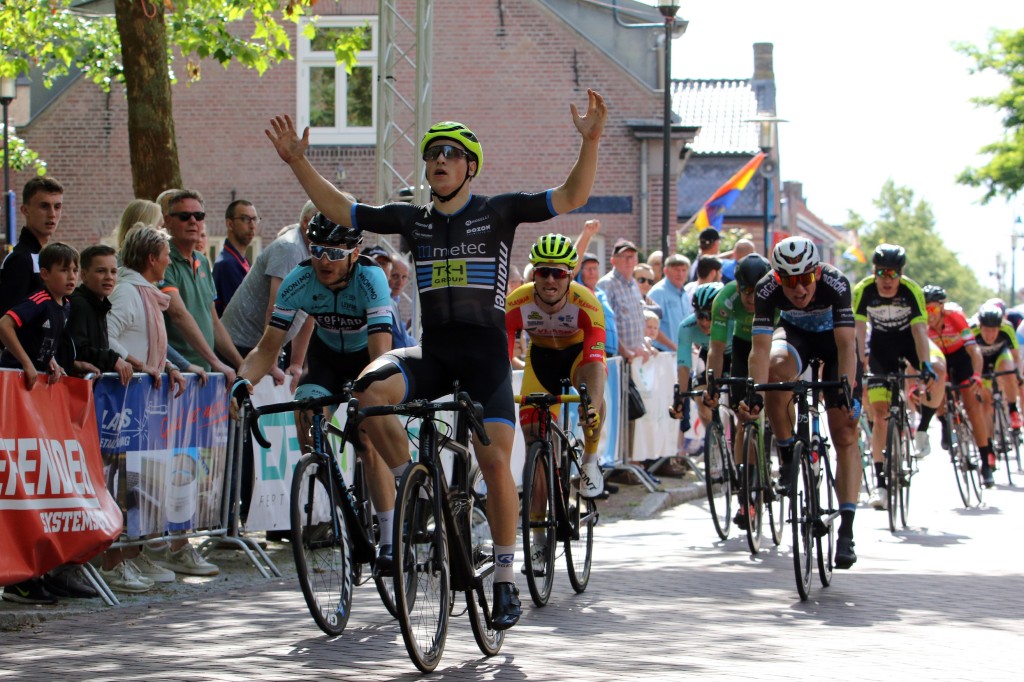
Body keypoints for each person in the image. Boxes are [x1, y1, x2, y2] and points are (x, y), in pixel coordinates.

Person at [266, 88, 607, 630]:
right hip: (434, 354)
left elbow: (571, 195)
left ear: (470, 166)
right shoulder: (414, 218)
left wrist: (589, 141)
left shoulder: (498, 211)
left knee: (495, 460)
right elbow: (341, 210)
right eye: (431, 155)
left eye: (450, 154)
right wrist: (299, 163)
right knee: (366, 393)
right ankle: (411, 486)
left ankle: (502, 579)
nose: (439, 161)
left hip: (486, 360)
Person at [230, 213, 395, 561]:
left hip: (366, 356)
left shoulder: (371, 279)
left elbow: (381, 353)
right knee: (307, 419)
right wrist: (244, 382)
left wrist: (364, 394)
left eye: (335, 253)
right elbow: (267, 347)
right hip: (327, 359)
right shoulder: (299, 279)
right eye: (318, 250)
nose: (324, 261)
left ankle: (391, 535)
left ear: (355, 252)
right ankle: (343, 509)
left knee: (367, 442)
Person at [741, 236, 862, 569]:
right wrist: (755, 391)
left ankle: (847, 532)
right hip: (797, 338)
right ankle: (787, 453)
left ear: (817, 273)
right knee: (776, 371)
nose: (798, 289)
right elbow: (760, 350)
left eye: (805, 279)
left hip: (836, 345)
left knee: (846, 433)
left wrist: (846, 390)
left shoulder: (836, 283)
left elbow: (847, 348)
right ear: (778, 277)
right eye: (789, 281)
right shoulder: (767, 288)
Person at [107, 225, 205, 578]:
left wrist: (164, 366)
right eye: (165, 255)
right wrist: (138, 366)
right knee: (124, 483)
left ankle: (136, 553)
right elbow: (109, 337)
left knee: (141, 481)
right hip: (124, 404)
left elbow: (145, 343)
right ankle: (117, 561)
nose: (169, 260)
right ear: (152, 259)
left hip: (143, 402)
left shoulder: (143, 292)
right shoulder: (128, 292)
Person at [0, 242, 78, 604]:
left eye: (75, 270)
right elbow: (5, 323)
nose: (71, 277)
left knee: (36, 487)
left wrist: (49, 364)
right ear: (45, 275)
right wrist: (26, 365)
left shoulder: (66, 307)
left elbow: (47, 344)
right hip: (12, 394)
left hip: (32, 398)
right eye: (63, 270)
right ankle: (16, 577)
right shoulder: (37, 300)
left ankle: (34, 572)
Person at [506, 233, 607, 499]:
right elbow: (500, 357)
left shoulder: (587, 304)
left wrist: (591, 405)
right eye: (544, 272)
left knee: (591, 399)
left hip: (578, 357)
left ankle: (590, 457)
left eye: (559, 273)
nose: (551, 280)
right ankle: (538, 530)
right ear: (533, 276)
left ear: (570, 277)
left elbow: (596, 361)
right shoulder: (517, 302)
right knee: (533, 441)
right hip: (541, 360)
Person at [852, 244, 941, 510]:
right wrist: (858, 363)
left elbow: (920, 333)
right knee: (880, 414)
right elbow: (858, 331)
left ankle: (923, 426)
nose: (887, 280)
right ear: (874, 271)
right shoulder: (863, 290)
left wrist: (924, 364)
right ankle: (881, 484)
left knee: (938, 372)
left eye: (893, 274)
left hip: (908, 342)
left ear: (900, 274)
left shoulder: (911, 291)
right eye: (882, 273)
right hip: (881, 346)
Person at [704, 253, 772, 527]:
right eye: (745, 291)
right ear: (738, 285)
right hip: (743, 348)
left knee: (777, 400)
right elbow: (717, 349)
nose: (751, 298)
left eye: (756, 292)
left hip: (773, 342)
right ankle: (746, 490)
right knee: (744, 415)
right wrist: (713, 383)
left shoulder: (775, 297)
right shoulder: (725, 299)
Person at [222, 201, 317, 389]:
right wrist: (270, 364)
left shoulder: (320, 254)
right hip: (240, 345)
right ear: (306, 223)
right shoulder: (290, 248)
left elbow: (310, 313)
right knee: (238, 412)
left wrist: (296, 364)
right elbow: (275, 309)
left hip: (267, 348)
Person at [161, 189, 243, 380]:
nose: (193, 221)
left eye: (199, 216)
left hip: (204, 374)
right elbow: (178, 315)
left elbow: (214, 321)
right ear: (168, 221)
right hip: (176, 376)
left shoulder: (203, 261)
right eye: (184, 216)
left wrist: (241, 364)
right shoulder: (163, 260)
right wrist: (216, 362)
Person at [924, 285, 995, 486]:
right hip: (939, 359)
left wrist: (978, 375)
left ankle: (985, 463)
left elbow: (975, 351)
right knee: (937, 386)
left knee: (973, 407)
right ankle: (945, 422)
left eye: (933, 310)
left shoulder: (955, 317)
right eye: (925, 309)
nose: (929, 315)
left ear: (942, 307)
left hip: (960, 358)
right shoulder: (921, 323)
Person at [972, 303, 1021, 485]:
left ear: (999, 327)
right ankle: (989, 448)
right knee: (985, 406)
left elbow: (1016, 358)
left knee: (1009, 371)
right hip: (981, 364)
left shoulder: (1007, 329)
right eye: (986, 330)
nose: (990, 335)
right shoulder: (972, 332)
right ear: (980, 327)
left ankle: (1013, 409)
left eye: (994, 330)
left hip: (1001, 358)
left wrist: (1019, 376)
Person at [0, 177, 64, 314]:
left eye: (57, 207)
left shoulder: (43, 256)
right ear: (25, 210)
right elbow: (5, 322)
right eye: (44, 206)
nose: (52, 214)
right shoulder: (21, 260)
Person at [597, 239, 649, 364]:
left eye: (632, 257)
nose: (629, 261)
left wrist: (644, 344)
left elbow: (639, 319)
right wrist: (625, 350)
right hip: (617, 360)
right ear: (613, 260)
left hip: (636, 359)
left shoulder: (634, 284)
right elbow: (605, 323)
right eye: (624, 257)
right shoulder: (606, 284)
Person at [213, 200, 260, 316]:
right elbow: (243, 311)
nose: (252, 226)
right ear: (230, 224)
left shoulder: (242, 261)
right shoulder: (227, 264)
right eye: (245, 219)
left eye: (255, 219)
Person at [647, 253, 690, 353]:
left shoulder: (684, 294)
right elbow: (651, 326)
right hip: (661, 353)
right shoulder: (658, 293)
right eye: (676, 270)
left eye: (683, 270)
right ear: (666, 271)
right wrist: (674, 347)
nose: (680, 274)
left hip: (679, 354)